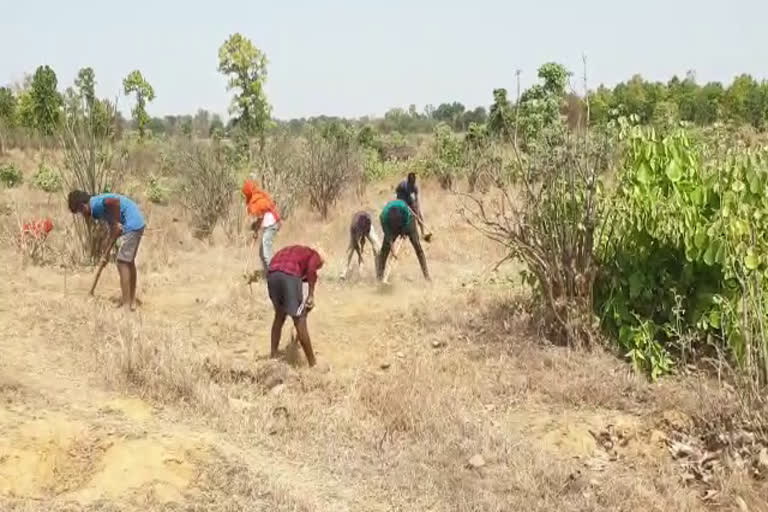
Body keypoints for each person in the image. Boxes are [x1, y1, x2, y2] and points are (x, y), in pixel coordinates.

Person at [67, 190, 145, 311]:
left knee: (122, 263)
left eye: (81, 212)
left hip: (132, 223)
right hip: (137, 221)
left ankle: (126, 305)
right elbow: (114, 230)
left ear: (83, 206)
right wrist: (106, 252)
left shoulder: (95, 204)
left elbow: (113, 201)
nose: (83, 215)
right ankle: (131, 300)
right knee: (129, 262)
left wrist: (118, 221)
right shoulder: (98, 210)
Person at [266, 245, 324, 367]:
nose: (318, 267)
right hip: (289, 275)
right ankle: (313, 364)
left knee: (279, 316)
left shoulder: (295, 251)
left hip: (272, 274)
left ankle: (273, 355)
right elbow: (311, 271)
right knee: (300, 320)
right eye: (320, 266)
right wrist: (311, 295)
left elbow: (301, 279)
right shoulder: (314, 255)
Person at [377, 199, 430, 283]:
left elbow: (406, 222)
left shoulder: (404, 210)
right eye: (395, 224)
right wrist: (393, 250)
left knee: (417, 246)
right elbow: (388, 236)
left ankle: (427, 277)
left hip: (408, 222)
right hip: (392, 227)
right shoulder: (384, 218)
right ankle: (380, 278)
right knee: (384, 251)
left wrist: (404, 231)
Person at [242, 179, 281, 274]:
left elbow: (262, 216)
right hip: (269, 225)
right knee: (262, 252)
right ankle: (267, 272)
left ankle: (274, 273)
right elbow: (261, 217)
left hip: (271, 225)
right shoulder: (257, 198)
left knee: (266, 251)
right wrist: (256, 229)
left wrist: (255, 227)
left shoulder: (257, 201)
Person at [340, 210, 381, 280]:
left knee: (378, 247)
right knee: (350, 250)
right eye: (362, 231)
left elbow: (365, 236)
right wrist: (360, 256)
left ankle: (379, 272)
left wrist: (363, 240)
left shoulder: (368, 222)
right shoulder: (354, 226)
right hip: (357, 229)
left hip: (365, 226)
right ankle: (343, 272)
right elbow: (355, 244)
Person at [395, 172, 425, 238]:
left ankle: (423, 233)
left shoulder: (415, 186)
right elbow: (396, 191)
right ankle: (403, 234)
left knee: (419, 215)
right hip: (401, 200)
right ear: (408, 181)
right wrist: (402, 203)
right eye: (411, 182)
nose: (412, 183)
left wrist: (417, 210)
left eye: (413, 181)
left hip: (409, 200)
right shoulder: (403, 185)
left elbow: (416, 198)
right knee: (403, 217)